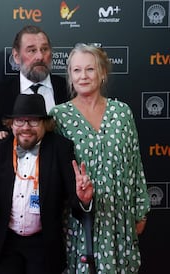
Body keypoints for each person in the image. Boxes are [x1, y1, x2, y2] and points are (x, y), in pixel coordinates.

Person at [0, 93, 94, 274]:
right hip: (5, 243)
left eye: (33, 121)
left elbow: (73, 198)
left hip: (43, 244)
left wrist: (84, 200)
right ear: (11, 124)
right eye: (20, 121)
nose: (26, 127)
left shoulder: (60, 147)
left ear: (45, 124)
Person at [49, 43, 151, 273]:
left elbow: (135, 163)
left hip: (119, 217)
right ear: (70, 75)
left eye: (90, 69)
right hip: (79, 219)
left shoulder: (122, 112)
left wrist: (140, 209)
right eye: (76, 70)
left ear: (102, 73)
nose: (83, 76)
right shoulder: (58, 116)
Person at [0, 25, 69, 146]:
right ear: (16, 56)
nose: (40, 56)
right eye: (32, 50)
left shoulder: (69, 90)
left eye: (44, 49)